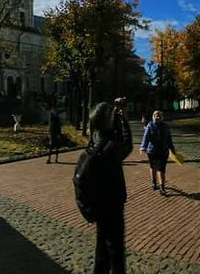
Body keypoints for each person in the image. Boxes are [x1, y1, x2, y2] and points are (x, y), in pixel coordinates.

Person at [89, 101, 132, 274]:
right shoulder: (110, 146)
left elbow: (109, 132)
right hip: (112, 201)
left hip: (99, 199)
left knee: (101, 245)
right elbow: (127, 145)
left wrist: (115, 118)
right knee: (115, 249)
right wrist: (125, 121)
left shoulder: (95, 137)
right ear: (106, 119)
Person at [139, 110, 175, 195]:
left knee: (161, 168)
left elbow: (169, 138)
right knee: (153, 167)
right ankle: (154, 182)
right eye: (156, 115)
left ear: (162, 117)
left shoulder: (166, 126)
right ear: (153, 117)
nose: (157, 117)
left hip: (163, 151)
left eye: (159, 115)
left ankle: (162, 187)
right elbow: (146, 137)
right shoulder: (150, 125)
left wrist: (172, 149)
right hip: (152, 151)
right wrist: (143, 147)